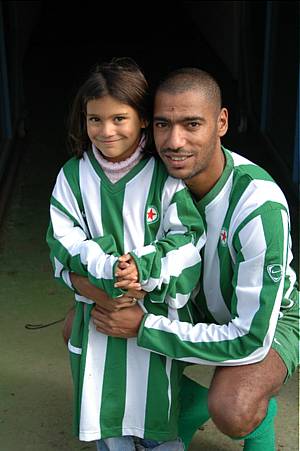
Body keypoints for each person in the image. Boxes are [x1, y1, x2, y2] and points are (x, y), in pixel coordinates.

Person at [72, 67, 299, 451]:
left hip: (263, 320)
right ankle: (186, 404)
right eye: (163, 124)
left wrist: (144, 327)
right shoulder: (147, 178)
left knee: (234, 406)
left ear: (221, 122)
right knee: (84, 324)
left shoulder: (258, 206)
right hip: (188, 300)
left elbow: (251, 338)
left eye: (192, 124)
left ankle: (257, 421)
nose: (174, 141)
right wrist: (98, 290)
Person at [46, 58, 206, 451]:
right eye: (94, 119)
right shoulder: (73, 176)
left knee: (154, 402)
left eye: (120, 118)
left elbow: (188, 238)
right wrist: (105, 272)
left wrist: (143, 269)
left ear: (143, 121)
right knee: (105, 402)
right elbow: (61, 239)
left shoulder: (164, 177)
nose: (105, 130)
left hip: (151, 311)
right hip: (97, 311)